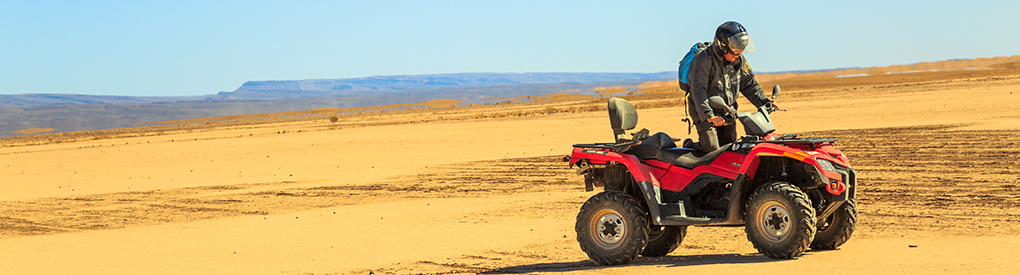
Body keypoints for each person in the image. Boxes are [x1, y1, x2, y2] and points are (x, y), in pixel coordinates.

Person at [686, 21, 774, 152]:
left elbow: (749, 83)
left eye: (740, 52)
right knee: (711, 148)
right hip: (704, 111)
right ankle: (689, 146)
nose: (738, 55)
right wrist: (709, 116)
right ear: (722, 47)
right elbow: (698, 90)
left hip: (727, 111)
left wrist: (764, 103)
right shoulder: (704, 58)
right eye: (735, 52)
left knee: (730, 149)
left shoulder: (738, 59)